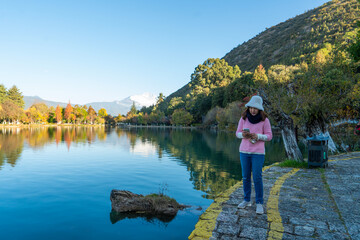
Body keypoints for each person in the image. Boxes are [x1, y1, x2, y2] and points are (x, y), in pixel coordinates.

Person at [235, 95, 272, 214]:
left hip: (258, 153)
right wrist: (243, 135)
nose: (253, 110)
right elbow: (237, 133)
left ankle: (259, 203)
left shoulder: (264, 120)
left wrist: (259, 136)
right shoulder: (243, 118)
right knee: (245, 177)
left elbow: (269, 136)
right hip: (244, 152)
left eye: (255, 108)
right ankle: (246, 200)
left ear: (259, 109)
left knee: (257, 177)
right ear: (248, 107)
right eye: (251, 108)